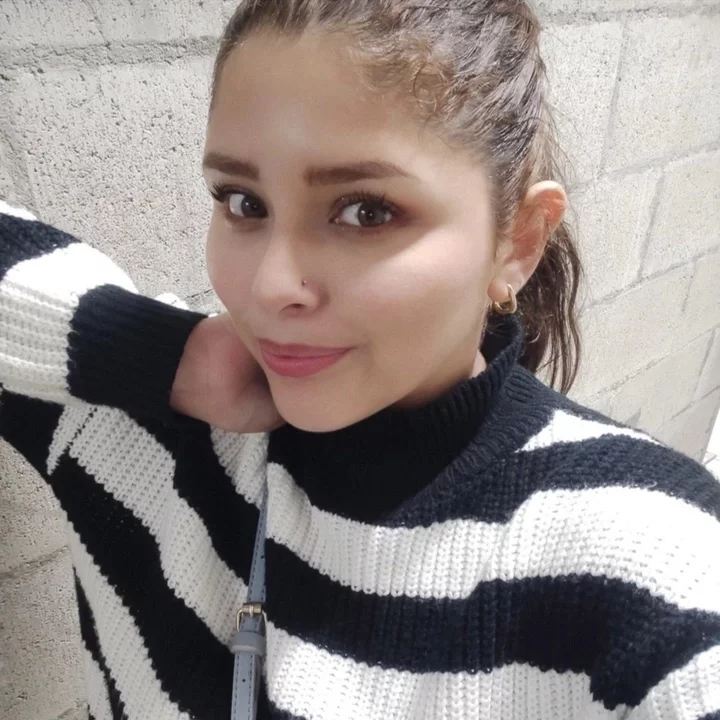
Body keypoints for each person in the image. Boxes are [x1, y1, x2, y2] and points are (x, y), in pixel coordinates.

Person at [0, 1, 718, 719]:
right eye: (243, 202)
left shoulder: (650, 566)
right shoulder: (138, 438)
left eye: (365, 212)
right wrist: (165, 356)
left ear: (520, 242)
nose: (271, 286)